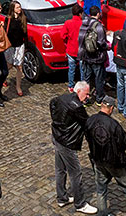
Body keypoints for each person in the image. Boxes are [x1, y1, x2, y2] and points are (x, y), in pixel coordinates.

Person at [84, 98, 126, 216]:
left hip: (98, 160)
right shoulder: (114, 125)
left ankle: (102, 214)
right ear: (111, 108)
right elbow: (125, 142)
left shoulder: (90, 120)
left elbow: (88, 137)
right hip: (114, 162)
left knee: (101, 189)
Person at [50, 81, 98, 213]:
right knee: (75, 173)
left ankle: (62, 198)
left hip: (57, 137)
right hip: (67, 143)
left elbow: (52, 104)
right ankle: (80, 204)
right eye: (86, 94)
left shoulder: (61, 98)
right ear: (79, 91)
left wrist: (56, 123)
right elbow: (87, 123)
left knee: (60, 169)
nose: (87, 97)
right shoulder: (77, 107)